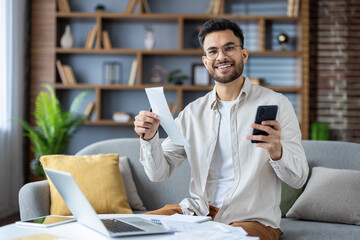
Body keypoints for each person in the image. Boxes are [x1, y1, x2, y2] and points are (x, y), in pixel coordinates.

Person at [134, 18, 309, 240]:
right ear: (206, 61)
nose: (222, 57)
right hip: (197, 213)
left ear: (243, 54)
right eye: (213, 51)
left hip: (252, 219)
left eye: (229, 48)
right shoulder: (192, 113)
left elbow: (299, 179)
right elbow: (158, 173)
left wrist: (277, 152)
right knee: (135, 231)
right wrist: (149, 139)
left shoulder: (277, 104)